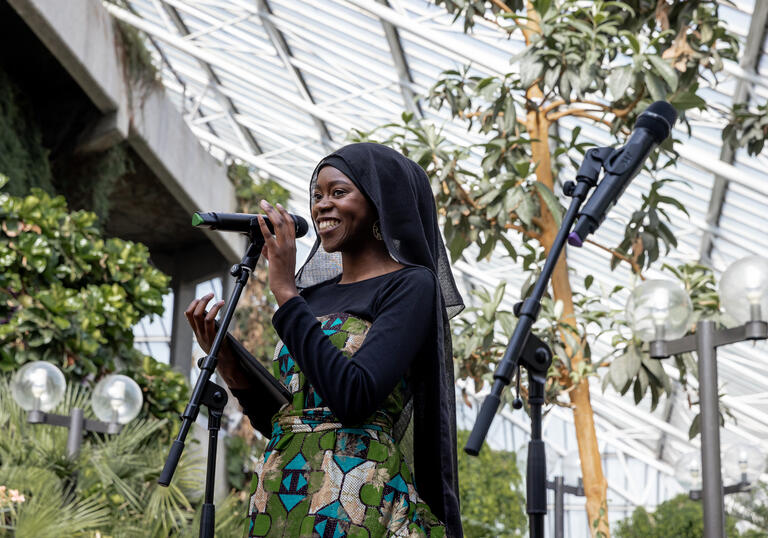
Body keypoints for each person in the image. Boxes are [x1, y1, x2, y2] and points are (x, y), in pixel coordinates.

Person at [185, 143, 464, 537]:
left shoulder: (410, 285)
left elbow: (353, 398)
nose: (321, 206)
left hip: (356, 497)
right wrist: (230, 363)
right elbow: (288, 419)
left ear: (378, 203)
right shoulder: (310, 298)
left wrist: (284, 290)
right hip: (281, 496)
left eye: (338, 192)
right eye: (316, 195)